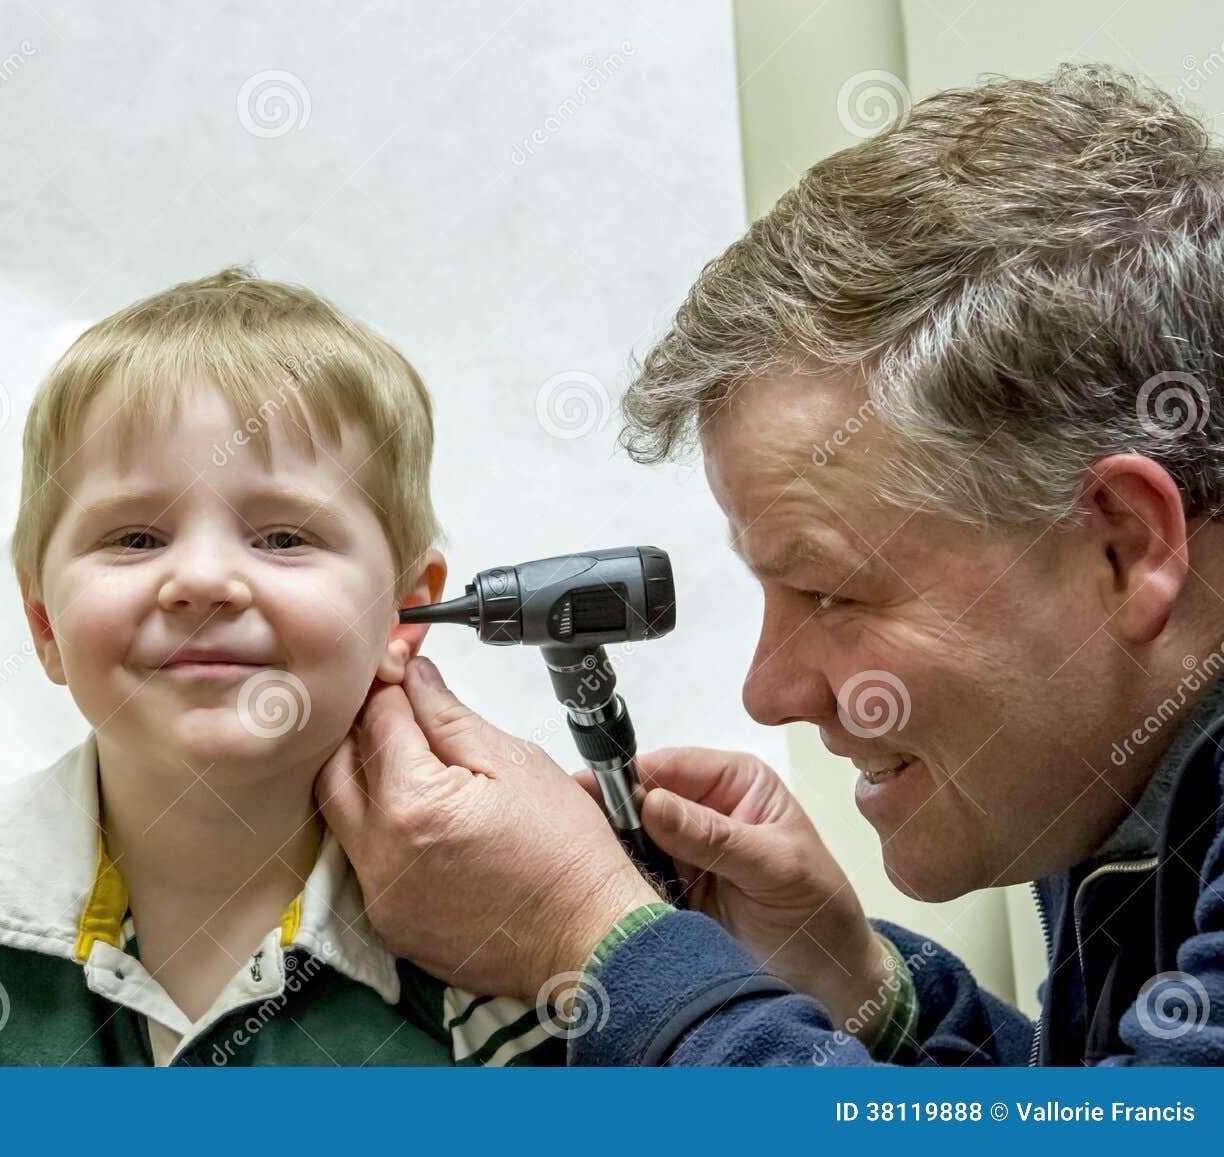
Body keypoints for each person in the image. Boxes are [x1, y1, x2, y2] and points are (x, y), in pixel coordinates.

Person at [318, 63, 1224, 1065]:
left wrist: (603, 941)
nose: (769, 691)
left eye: (832, 592)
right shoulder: (1119, 772)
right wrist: (869, 995)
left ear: (1124, 543)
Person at [0, 269, 566, 1066]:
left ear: (401, 612)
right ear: (43, 622)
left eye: (284, 537)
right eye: (134, 537)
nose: (202, 580)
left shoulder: (494, 939)